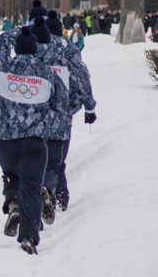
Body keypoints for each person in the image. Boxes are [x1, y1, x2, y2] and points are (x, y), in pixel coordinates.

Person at [0, 26, 67, 255]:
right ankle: (29, 236)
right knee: (31, 186)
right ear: (35, 50)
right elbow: (61, 106)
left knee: (12, 176)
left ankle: (13, 206)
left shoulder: (2, 70)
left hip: (5, 141)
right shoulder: (48, 73)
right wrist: (46, 124)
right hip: (35, 141)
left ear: (16, 49)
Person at [43, 11, 97, 213]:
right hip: (63, 114)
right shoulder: (70, 52)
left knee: (38, 156)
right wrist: (87, 106)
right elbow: (82, 80)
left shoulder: (36, 51)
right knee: (57, 160)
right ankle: (59, 198)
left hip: (34, 115)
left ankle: (41, 192)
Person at [0, 0, 47, 66]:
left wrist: (8, 64)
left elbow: (3, 39)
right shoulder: (56, 35)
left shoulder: (22, 32)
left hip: (22, 70)